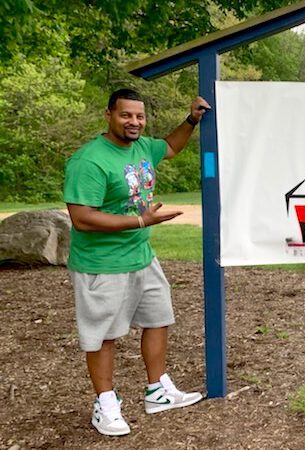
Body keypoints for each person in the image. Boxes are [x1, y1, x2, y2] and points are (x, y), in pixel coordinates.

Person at [63, 88, 210, 436]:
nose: (134, 122)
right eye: (126, 115)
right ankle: (106, 404)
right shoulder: (90, 160)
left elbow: (171, 147)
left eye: (139, 116)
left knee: (159, 318)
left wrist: (191, 120)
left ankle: (157, 390)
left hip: (142, 257)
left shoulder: (143, 147)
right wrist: (141, 221)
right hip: (102, 263)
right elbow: (82, 218)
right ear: (109, 115)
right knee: (104, 336)